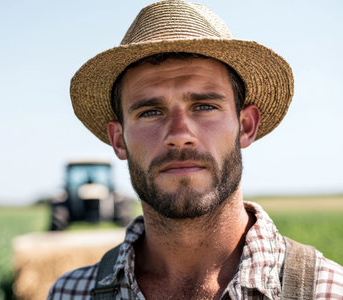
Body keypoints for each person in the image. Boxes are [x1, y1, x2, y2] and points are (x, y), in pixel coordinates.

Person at [48, 0, 342, 299]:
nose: (179, 135)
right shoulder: (69, 293)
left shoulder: (328, 291)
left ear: (247, 126)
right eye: (150, 112)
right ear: (119, 139)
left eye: (204, 107)